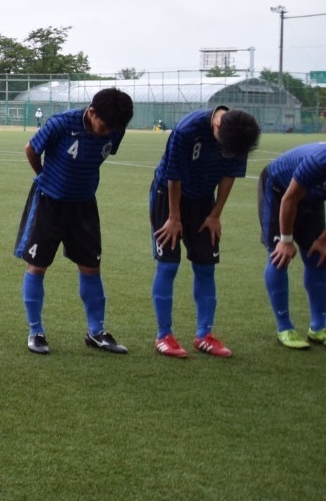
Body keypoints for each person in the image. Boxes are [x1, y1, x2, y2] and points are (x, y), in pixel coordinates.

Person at [16, 87, 134, 355]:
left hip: (84, 205)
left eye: (112, 128)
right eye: (103, 126)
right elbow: (31, 149)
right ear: (91, 112)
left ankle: (96, 331)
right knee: (36, 266)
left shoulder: (115, 129)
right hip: (49, 202)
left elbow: (103, 150)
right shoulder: (61, 124)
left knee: (91, 267)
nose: (107, 133)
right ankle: (36, 331)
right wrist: (44, 176)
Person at [148, 106, 260, 357]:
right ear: (217, 126)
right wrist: (174, 217)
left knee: (206, 266)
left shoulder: (239, 131)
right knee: (168, 265)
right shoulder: (187, 130)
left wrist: (215, 215)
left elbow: (229, 175)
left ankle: (204, 335)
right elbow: (172, 176)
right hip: (168, 196)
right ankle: (163, 336)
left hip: (203, 200)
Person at [257, 142, 326, 350]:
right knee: (280, 256)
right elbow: (289, 199)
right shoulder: (320, 160)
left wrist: (323, 241)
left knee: (318, 256)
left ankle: (319, 326)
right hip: (279, 190)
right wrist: (286, 241)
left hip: (311, 198)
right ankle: (284, 327)